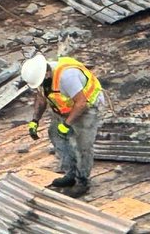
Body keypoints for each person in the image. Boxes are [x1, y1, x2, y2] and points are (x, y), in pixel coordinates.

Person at [21, 52, 104, 198]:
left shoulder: (67, 77)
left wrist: (67, 124)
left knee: (82, 145)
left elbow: (81, 103)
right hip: (65, 107)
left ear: (47, 73)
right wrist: (35, 120)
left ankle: (82, 181)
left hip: (87, 106)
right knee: (55, 134)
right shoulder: (43, 80)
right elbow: (41, 98)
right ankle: (70, 173)